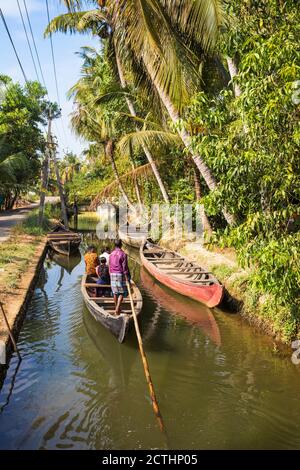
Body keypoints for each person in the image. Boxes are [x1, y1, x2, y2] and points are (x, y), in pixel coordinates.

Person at [109, 239, 130, 315]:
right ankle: (117, 308)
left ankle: (116, 308)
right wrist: (127, 277)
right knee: (121, 293)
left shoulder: (111, 254)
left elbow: (110, 266)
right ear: (121, 245)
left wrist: (110, 273)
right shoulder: (123, 254)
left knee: (115, 292)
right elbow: (125, 267)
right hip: (120, 274)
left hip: (112, 274)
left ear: (115, 245)